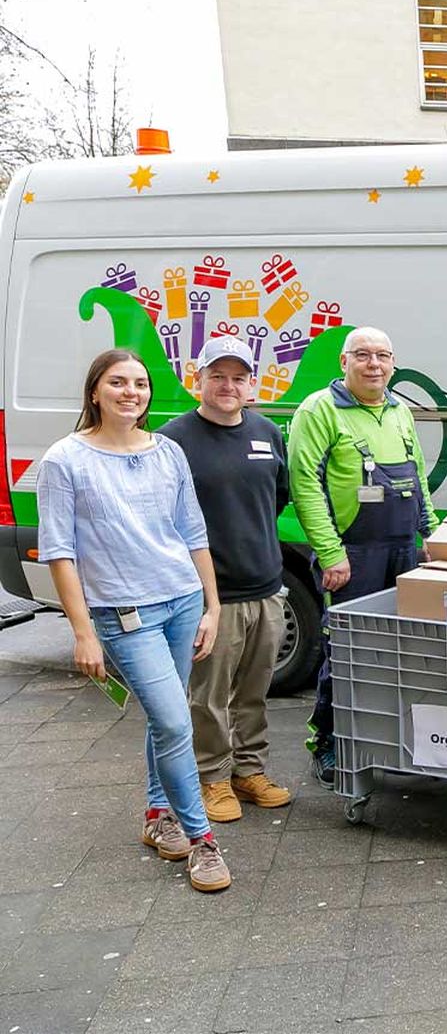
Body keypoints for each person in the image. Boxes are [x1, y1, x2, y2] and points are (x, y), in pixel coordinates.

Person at [36, 348, 232, 891]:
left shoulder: (167, 450)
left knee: (163, 719)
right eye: (118, 383)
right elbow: (59, 551)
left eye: (140, 384)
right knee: (174, 722)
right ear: (95, 391)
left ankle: (157, 815)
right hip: (124, 614)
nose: (131, 392)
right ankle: (202, 841)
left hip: (183, 601)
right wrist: (82, 633)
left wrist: (212, 606)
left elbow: (193, 533)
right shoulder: (65, 459)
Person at [289, 327, 438, 787]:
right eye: (363, 355)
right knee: (348, 653)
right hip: (353, 554)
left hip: (402, 550)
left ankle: (388, 742)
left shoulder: (398, 410)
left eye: (383, 356)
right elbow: (305, 484)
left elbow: (418, 476)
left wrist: (429, 533)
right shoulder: (319, 410)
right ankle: (329, 743)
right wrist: (331, 553)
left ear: (393, 364)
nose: (374, 364)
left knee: (403, 651)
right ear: (344, 362)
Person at [160, 337, 292, 822]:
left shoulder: (266, 432)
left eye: (238, 377)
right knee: (209, 697)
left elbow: (278, 497)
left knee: (255, 691)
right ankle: (212, 777)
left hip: (266, 589)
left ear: (251, 384)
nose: (228, 386)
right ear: (198, 380)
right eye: (218, 376)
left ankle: (249, 771)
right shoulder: (172, 440)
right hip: (211, 598)